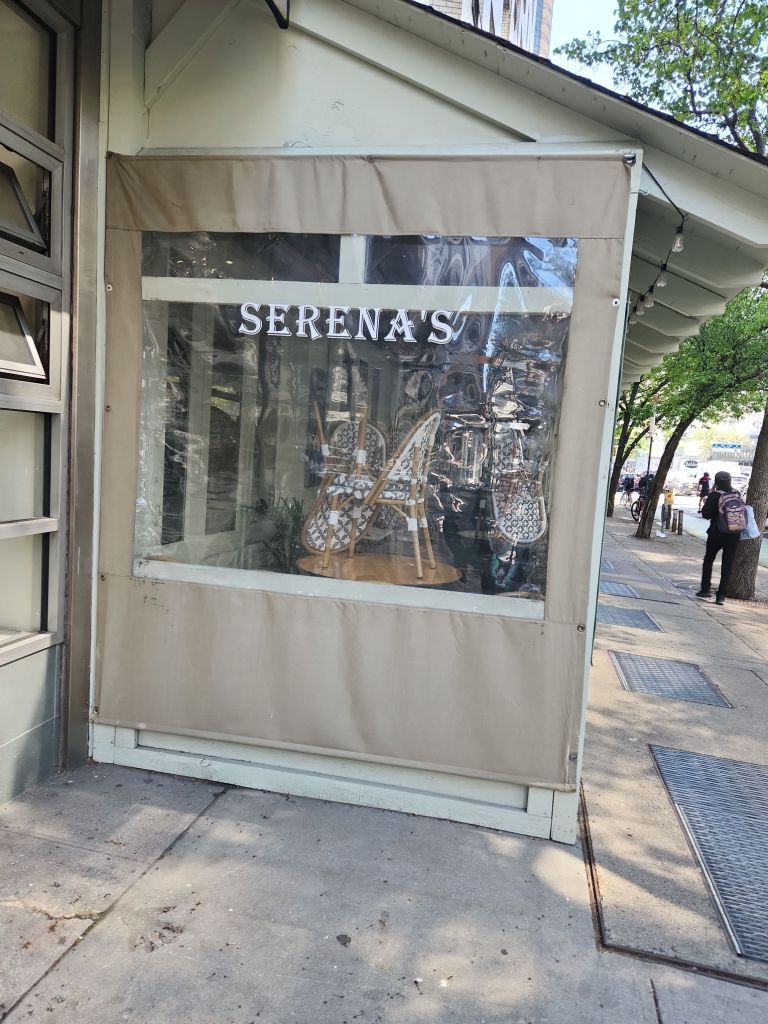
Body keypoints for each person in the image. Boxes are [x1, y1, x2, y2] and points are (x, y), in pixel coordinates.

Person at [697, 471, 742, 605]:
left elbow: (706, 514)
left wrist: (711, 497)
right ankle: (721, 596)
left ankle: (705, 589)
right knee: (727, 564)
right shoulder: (736, 494)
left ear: (717, 482)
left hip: (717, 533)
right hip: (734, 534)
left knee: (709, 559)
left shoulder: (715, 495)